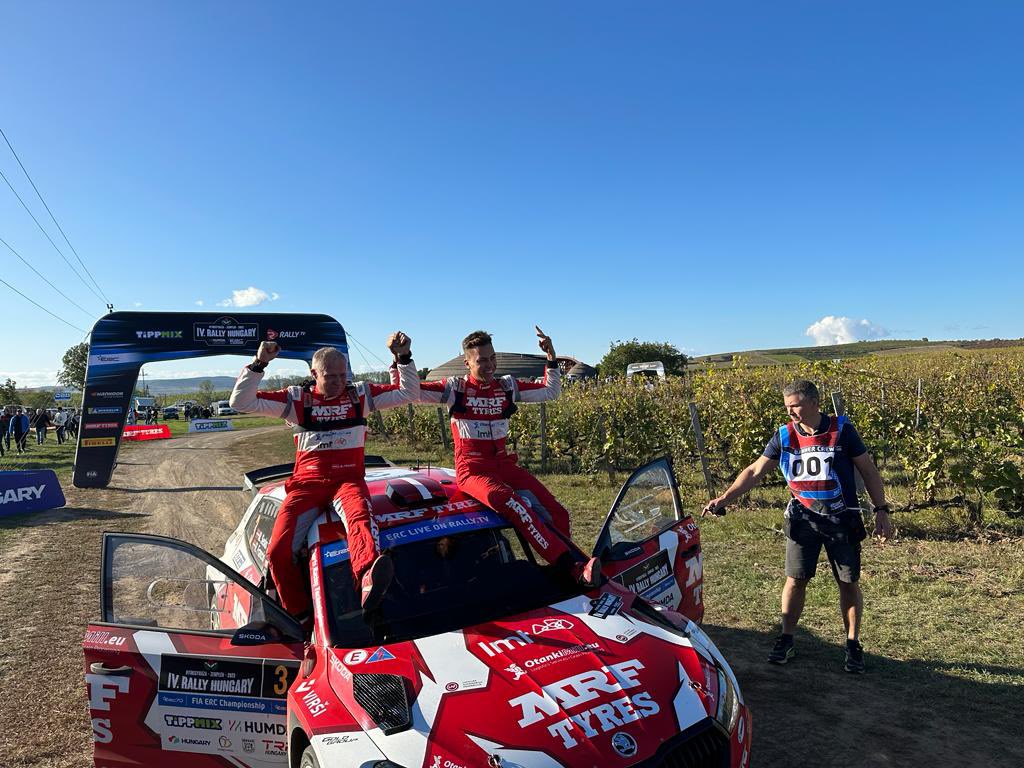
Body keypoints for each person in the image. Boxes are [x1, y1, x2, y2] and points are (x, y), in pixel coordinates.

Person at [703, 378, 892, 674]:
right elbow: (755, 470)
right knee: (795, 579)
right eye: (787, 407)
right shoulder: (784, 435)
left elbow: (868, 470)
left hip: (842, 520)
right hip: (803, 520)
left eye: (796, 406)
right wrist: (725, 498)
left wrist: (882, 510)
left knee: (848, 582)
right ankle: (786, 637)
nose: (790, 412)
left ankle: (853, 643)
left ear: (815, 403)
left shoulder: (843, 430)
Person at [229, 333, 417, 620]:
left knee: (361, 522)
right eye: (330, 376)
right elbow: (240, 402)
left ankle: (367, 579)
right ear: (313, 373)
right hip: (307, 486)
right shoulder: (296, 399)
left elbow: (407, 393)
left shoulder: (360, 395)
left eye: (343, 375)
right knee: (278, 552)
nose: (339, 381)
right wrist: (259, 364)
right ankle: (299, 614)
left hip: (348, 481)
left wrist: (402, 358)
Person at [405, 327, 600, 587]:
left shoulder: (506, 386)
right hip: (473, 471)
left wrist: (551, 358)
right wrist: (403, 359)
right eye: (481, 360)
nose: (489, 365)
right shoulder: (456, 389)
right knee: (512, 503)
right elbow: (411, 392)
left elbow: (549, 392)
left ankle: (564, 567)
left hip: (504, 465)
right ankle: (571, 567)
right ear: (467, 362)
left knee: (559, 513)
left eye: (492, 358)